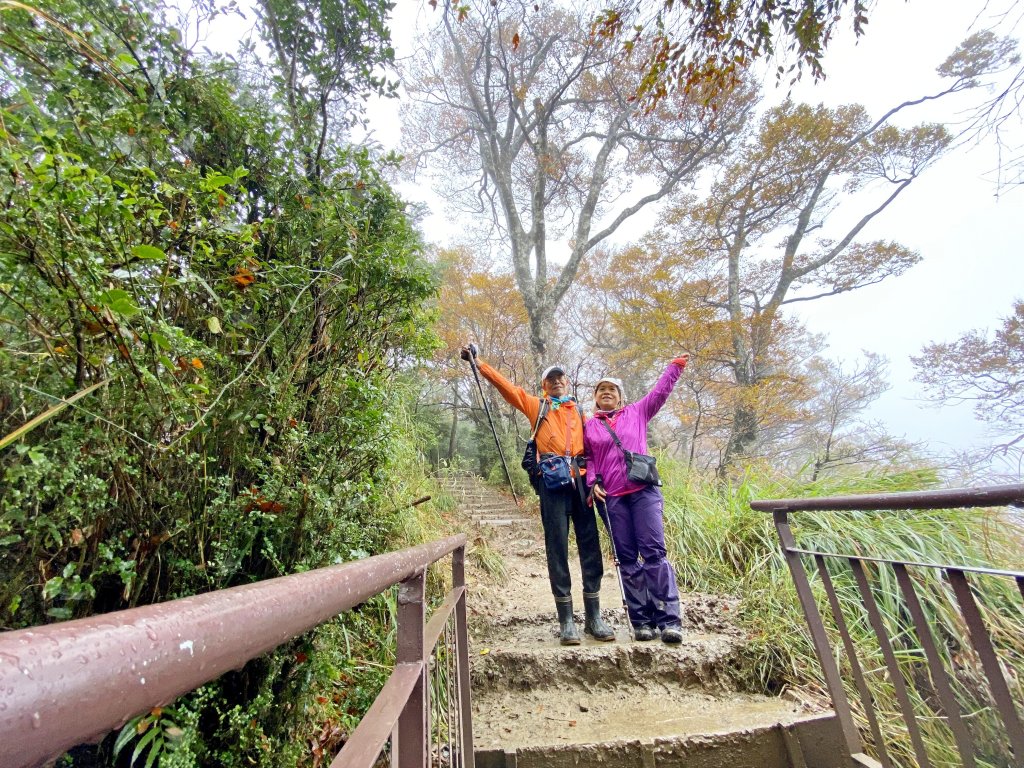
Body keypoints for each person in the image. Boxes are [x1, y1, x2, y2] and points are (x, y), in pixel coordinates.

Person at [460, 345, 615, 645]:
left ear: (567, 382)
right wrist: (479, 363)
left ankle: (594, 617)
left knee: (591, 546)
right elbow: (509, 390)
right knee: (556, 548)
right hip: (552, 485)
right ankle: (566, 620)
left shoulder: (581, 412)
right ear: (544, 385)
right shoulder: (537, 406)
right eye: (551, 380)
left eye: (560, 378)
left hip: (581, 484)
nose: (557, 382)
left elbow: (597, 447)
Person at [583, 354, 690, 644]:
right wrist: (593, 482)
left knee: (654, 553)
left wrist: (675, 368)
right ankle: (641, 621)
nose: (607, 392)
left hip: (644, 492)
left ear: (620, 397)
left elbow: (660, 393)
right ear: (595, 397)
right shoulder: (590, 426)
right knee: (627, 558)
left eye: (612, 389)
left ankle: (669, 621)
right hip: (613, 498)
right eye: (601, 389)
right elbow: (589, 458)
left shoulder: (637, 412)